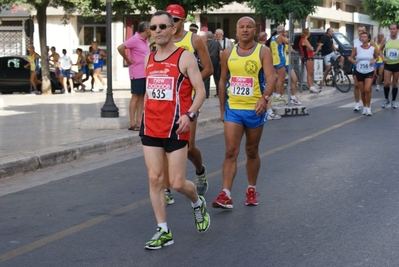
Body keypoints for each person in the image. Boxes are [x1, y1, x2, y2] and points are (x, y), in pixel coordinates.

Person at [140, 10, 210, 249]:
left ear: (172, 29)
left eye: (162, 26)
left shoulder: (185, 57)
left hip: (175, 127)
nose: (157, 31)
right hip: (150, 126)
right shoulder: (149, 58)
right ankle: (163, 230)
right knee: (154, 179)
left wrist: (190, 115)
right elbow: (151, 90)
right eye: (153, 27)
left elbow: (200, 92)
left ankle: (197, 202)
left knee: (178, 183)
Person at [212, 16, 275, 209]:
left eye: (249, 27)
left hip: (255, 109)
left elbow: (271, 77)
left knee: (251, 151)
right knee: (231, 151)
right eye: (241, 27)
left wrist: (264, 99)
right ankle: (226, 194)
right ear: (237, 31)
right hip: (234, 109)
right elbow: (222, 81)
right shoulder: (227, 53)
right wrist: (222, 108)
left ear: (254, 30)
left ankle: (251, 188)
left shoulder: (263, 51)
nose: (245, 30)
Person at [162, 4, 213, 203]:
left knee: (189, 147)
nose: (172, 24)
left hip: (189, 99)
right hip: (166, 100)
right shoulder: (161, 39)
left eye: (175, 20)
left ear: (183, 21)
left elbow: (208, 68)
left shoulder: (194, 40)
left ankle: (200, 171)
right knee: (165, 144)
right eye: (169, 20)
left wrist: (189, 81)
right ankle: (166, 189)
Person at [117, 21, 151, 131]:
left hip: (145, 72)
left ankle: (139, 121)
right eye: (152, 28)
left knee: (141, 97)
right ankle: (132, 122)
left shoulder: (146, 40)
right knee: (135, 96)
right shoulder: (135, 39)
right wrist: (127, 59)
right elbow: (120, 47)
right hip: (137, 72)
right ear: (146, 29)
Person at [349, 31, 378, 116]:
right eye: (362, 37)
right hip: (359, 71)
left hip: (369, 71)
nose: (363, 38)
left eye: (365, 37)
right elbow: (351, 57)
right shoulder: (357, 48)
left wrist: (374, 61)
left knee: (367, 89)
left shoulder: (372, 48)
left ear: (368, 39)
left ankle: (369, 108)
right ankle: (364, 106)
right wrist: (353, 61)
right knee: (362, 91)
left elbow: (377, 57)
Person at [257, 31, 281, 120]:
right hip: (263, 75)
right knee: (267, 93)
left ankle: (267, 111)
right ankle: (269, 112)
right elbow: (268, 64)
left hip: (259, 75)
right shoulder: (265, 49)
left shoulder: (257, 48)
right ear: (265, 38)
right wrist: (273, 73)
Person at [380, 23, 399, 109]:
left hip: (397, 64)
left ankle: (393, 100)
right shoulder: (386, 39)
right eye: (391, 29)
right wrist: (383, 57)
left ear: (397, 30)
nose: (392, 30)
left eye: (394, 29)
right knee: (387, 83)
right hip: (388, 64)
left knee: (395, 84)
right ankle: (386, 99)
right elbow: (380, 50)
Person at [269, 25, 288, 102]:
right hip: (280, 59)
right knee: (281, 78)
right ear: (282, 31)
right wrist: (286, 35)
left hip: (274, 60)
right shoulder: (280, 37)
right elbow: (289, 41)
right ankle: (277, 95)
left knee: (276, 79)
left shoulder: (272, 38)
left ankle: (274, 94)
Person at [351, 25, 368, 111]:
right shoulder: (355, 41)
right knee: (356, 85)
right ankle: (357, 104)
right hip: (357, 65)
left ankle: (366, 104)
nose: (361, 32)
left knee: (365, 88)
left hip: (367, 67)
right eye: (359, 31)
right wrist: (353, 60)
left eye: (362, 31)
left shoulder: (369, 42)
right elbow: (352, 54)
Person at [298, 28, 320, 93]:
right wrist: (311, 48)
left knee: (310, 72)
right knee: (310, 73)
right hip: (308, 57)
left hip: (306, 57)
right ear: (307, 33)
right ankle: (311, 86)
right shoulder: (305, 40)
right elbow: (312, 48)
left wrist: (310, 49)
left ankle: (311, 85)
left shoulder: (302, 40)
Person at [203, 31, 221, 99]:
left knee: (206, 78)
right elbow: (221, 52)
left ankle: (206, 94)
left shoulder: (204, 44)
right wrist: (220, 61)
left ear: (207, 37)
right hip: (215, 59)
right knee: (217, 77)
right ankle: (219, 93)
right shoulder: (217, 43)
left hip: (207, 59)